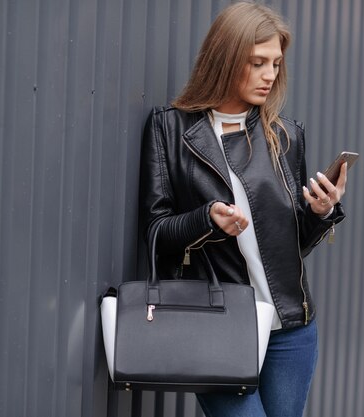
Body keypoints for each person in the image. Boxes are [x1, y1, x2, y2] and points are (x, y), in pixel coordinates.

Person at [138, 2, 348, 416]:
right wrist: (207, 220)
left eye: (275, 63)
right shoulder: (171, 129)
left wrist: (322, 213)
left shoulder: (285, 136)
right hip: (215, 325)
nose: (270, 75)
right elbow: (156, 232)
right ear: (226, 58)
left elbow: (290, 249)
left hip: (291, 330)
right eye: (257, 63)